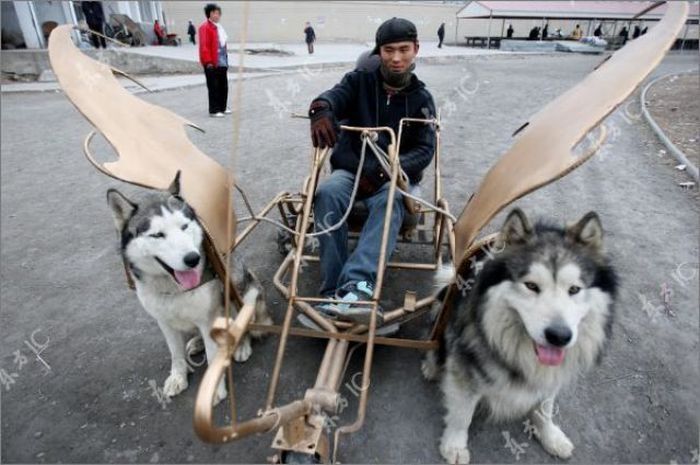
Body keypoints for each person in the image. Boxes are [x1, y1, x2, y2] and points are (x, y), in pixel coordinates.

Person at [305, 17, 436, 327]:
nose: (396, 57)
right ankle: (334, 294)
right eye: (388, 50)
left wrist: (385, 171)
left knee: (390, 202)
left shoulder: (422, 100)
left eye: (404, 49)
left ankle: (359, 289)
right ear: (379, 52)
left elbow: (424, 150)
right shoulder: (359, 82)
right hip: (350, 172)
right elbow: (334, 97)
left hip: (394, 178)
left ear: (415, 49)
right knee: (326, 193)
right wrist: (321, 108)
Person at [199, 3, 230, 117]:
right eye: (215, 13)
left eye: (218, 13)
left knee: (223, 85)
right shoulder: (205, 27)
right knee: (214, 86)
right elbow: (204, 46)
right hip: (212, 62)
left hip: (221, 60)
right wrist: (208, 62)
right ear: (209, 14)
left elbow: (222, 45)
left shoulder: (219, 27)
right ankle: (214, 110)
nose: (217, 15)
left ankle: (222, 107)